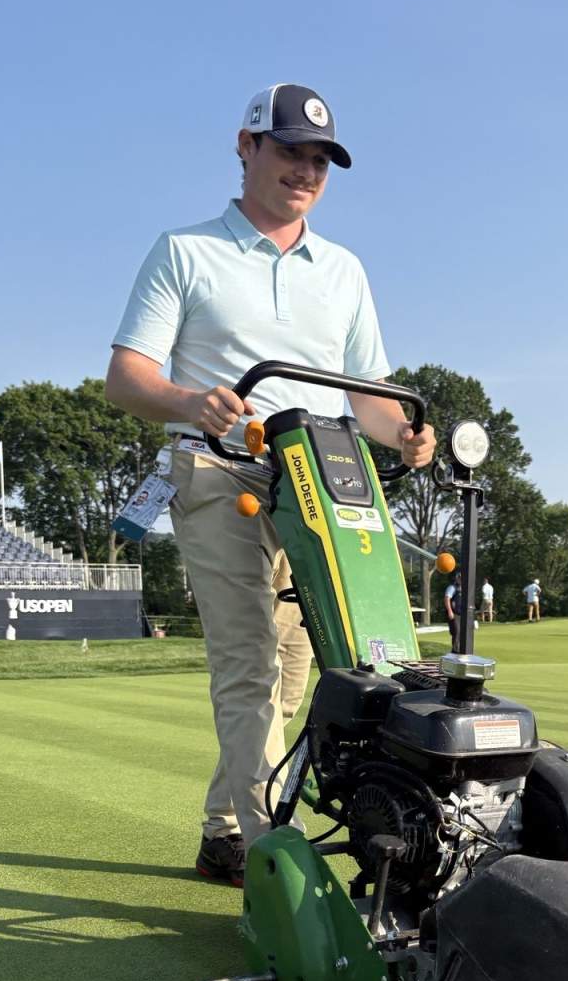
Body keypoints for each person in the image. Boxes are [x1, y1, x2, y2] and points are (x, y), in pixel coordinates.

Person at [105, 82, 435, 885]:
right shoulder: (185, 251)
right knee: (250, 661)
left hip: (321, 485)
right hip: (219, 469)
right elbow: (126, 378)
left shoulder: (344, 270)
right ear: (246, 146)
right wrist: (192, 400)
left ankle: (224, 828)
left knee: (300, 671)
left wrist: (410, 434)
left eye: (320, 158)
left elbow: (368, 393)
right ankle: (267, 860)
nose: (306, 169)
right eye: (290, 150)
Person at [444, 575, 463, 653]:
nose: (461, 580)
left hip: (462, 613)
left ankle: (461, 649)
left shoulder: (465, 588)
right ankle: (455, 651)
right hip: (454, 613)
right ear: (457, 578)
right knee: (456, 631)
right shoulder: (452, 587)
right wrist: (450, 611)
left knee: (462, 632)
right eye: (460, 578)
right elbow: (447, 599)